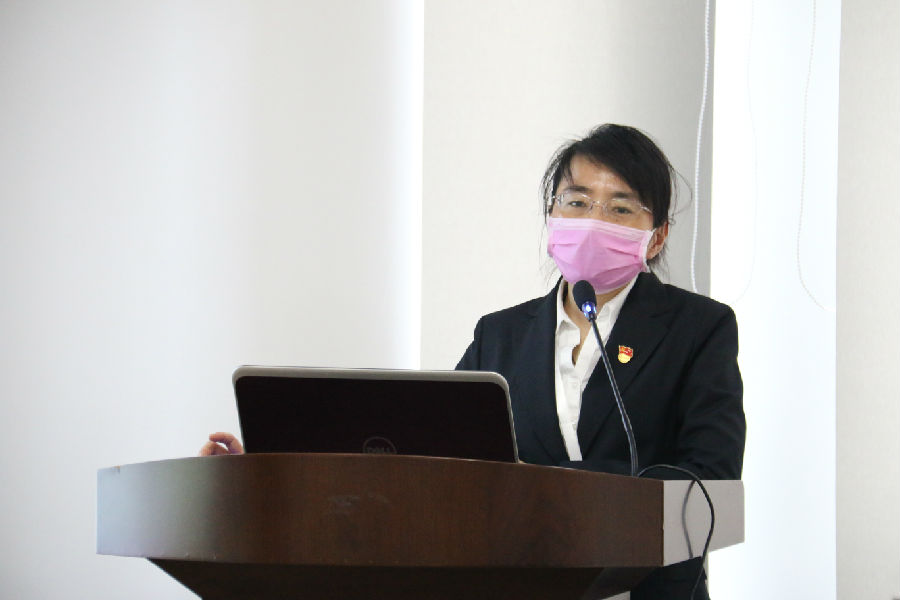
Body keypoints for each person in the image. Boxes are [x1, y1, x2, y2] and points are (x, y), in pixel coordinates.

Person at [202, 124, 745, 599]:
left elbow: (709, 480)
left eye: (620, 208)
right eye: (577, 202)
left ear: (657, 236)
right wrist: (271, 470)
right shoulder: (501, 335)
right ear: (551, 215)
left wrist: (545, 486)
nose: (594, 219)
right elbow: (429, 464)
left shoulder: (699, 328)